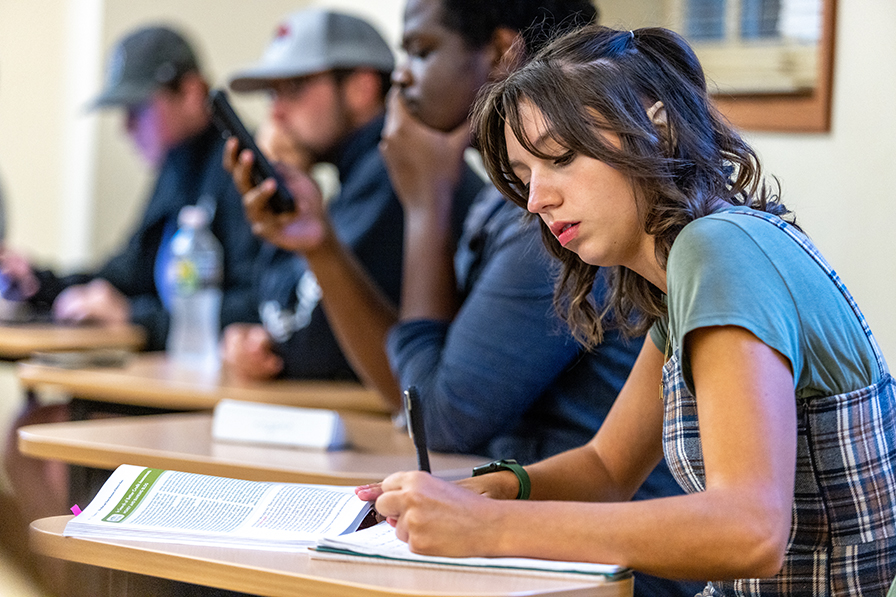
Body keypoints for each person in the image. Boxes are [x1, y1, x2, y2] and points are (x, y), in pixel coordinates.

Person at [360, 25, 896, 595]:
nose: (537, 198)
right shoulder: (691, 270)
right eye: (524, 177)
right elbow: (607, 469)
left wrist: (490, 526)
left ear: (654, 129)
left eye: (560, 158)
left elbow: (751, 531)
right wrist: (478, 490)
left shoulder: (718, 250)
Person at [231, 3, 698, 595]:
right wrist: (322, 246)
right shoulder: (508, 208)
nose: (403, 77)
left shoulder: (583, 228)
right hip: (559, 531)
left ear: (502, 54)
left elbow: (442, 416)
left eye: (422, 51)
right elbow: (417, 401)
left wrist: (427, 202)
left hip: (613, 564)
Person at [220, 7, 481, 383]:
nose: (275, 113)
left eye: (293, 89)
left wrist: (273, 340)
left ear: (360, 88)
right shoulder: (360, 177)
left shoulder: (390, 172)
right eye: (272, 95)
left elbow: (307, 336)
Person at [0, 25, 260, 349]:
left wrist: (133, 316)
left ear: (192, 93)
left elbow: (258, 309)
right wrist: (40, 284)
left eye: (137, 110)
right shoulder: (175, 170)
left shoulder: (245, 170)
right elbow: (125, 274)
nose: (126, 128)